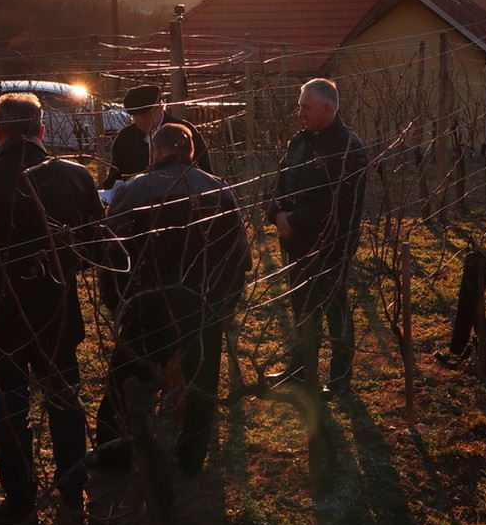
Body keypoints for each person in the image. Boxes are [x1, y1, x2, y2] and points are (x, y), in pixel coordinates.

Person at [0, 92, 109, 525]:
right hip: (57, 311)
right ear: (41, 129)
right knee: (65, 400)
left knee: (9, 408)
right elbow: (95, 247)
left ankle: (19, 501)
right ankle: (73, 494)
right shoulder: (76, 176)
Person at [95, 122, 250, 477]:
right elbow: (239, 257)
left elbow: (113, 255)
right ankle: (192, 459)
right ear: (191, 153)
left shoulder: (134, 191)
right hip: (204, 304)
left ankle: (114, 452)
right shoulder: (221, 190)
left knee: (124, 378)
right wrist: (228, 301)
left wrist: (116, 303)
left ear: (158, 151)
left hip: (148, 306)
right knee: (202, 382)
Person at [264, 78, 368, 398]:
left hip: (331, 244)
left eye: (305, 107)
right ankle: (300, 370)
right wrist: (277, 213)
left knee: (334, 310)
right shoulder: (300, 141)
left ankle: (339, 381)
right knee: (302, 308)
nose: (300, 113)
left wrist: (294, 220)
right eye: (299, 106)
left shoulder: (350, 149)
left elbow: (339, 203)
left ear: (327, 107)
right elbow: (281, 180)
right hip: (294, 242)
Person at [102, 84, 213, 190]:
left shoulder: (183, 132)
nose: (140, 120)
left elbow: (204, 173)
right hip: (138, 202)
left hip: (181, 199)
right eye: (135, 116)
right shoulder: (125, 138)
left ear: (160, 107)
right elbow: (115, 178)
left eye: (145, 115)